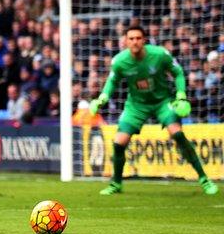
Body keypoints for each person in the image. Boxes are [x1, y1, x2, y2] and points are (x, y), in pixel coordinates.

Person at [90, 25, 219, 195]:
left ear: (144, 40)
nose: (135, 42)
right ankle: (116, 183)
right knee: (118, 143)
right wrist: (102, 97)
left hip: (162, 102)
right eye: (131, 38)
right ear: (126, 41)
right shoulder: (120, 61)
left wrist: (181, 95)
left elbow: (178, 72)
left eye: (138, 38)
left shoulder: (159, 54)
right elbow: (112, 81)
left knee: (177, 134)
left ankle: (204, 179)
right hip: (136, 105)